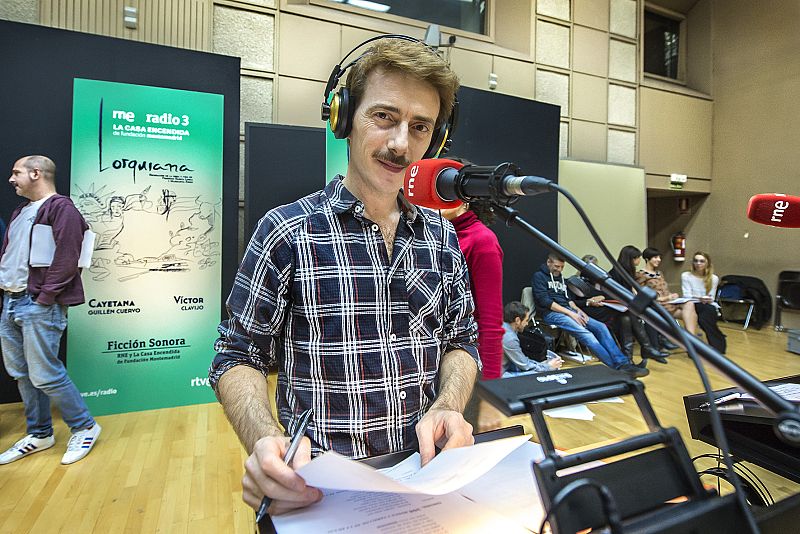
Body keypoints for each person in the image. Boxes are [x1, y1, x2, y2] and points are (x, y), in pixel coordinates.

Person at [209, 38, 480, 516]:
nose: (401, 144)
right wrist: (266, 440)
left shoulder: (441, 235)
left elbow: (462, 341)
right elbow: (237, 355)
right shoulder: (286, 231)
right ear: (344, 118)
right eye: (384, 117)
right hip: (316, 494)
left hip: (423, 486)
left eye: (420, 127)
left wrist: (449, 405)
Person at [0, 155, 101, 466]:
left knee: (45, 373)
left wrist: (44, 298)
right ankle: (40, 432)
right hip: (12, 301)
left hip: (37, 303)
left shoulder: (62, 208)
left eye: (16, 173)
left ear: (35, 173)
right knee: (23, 374)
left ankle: (85, 426)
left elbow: (68, 256)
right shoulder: (21, 212)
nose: (11, 179)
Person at [440, 180, 504, 431]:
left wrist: (491, 396)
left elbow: (490, 323)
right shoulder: (435, 235)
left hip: (467, 370)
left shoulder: (482, 241)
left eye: (443, 191)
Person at [532, 252, 648, 377]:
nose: (559, 270)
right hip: (551, 313)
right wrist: (571, 314)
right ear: (549, 262)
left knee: (601, 327)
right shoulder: (538, 276)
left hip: (568, 310)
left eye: (561, 267)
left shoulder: (560, 277)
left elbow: (567, 299)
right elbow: (546, 302)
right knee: (587, 335)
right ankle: (617, 368)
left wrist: (578, 311)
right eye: (556, 266)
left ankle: (624, 363)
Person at [610, 246, 668, 365]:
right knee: (631, 316)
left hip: (624, 308)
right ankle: (647, 347)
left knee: (627, 319)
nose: (639, 261)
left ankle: (629, 360)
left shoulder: (627, 271)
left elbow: (631, 291)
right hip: (613, 307)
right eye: (637, 258)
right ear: (631, 259)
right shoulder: (616, 272)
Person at [637, 247, 700, 344]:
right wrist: (666, 298)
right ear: (647, 259)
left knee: (690, 304)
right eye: (655, 257)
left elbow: (665, 290)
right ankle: (692, 342)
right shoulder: (641, 275)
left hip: (670, 304)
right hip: (659, 305)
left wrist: (672, 295)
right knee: (690, 315)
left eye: (659, 257)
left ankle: (691, 340)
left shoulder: (659, 273)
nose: (659, 260)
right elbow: (643, 295)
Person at [682, 251, 727, 353]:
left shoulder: (713, 278)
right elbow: (687, 295)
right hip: (691, 304)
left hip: (707, 304)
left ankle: (712, 346)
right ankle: (718, 343)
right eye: (696, 261)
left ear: (707, 263)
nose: (698, 263)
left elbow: (711, 297)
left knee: (706, 314)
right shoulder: (686, 276)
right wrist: (700, 298)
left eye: (702, 261)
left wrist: (704, 299)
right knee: (704, 316)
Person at [501, 301, 562, 376]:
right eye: (526, 320)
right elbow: (524, 365)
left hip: (504, 366)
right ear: (517, 320)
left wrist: (540, 365)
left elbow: (521, 360)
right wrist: (548, 367)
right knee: (538, 373)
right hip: (499, 375)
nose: (527, 324)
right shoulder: (509, 337)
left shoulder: (504, 327)